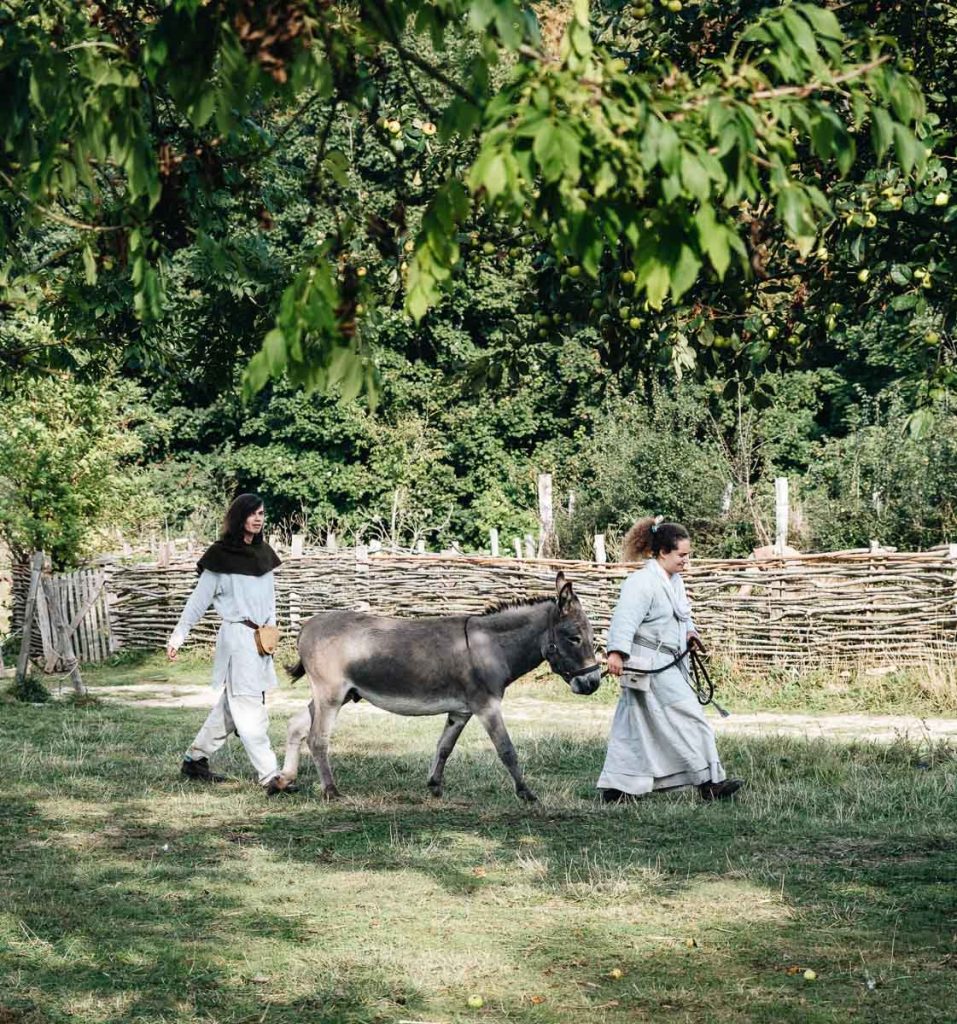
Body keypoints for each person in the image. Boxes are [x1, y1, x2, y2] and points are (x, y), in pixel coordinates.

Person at [597, 516, 743, 802]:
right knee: (692, 718)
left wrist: (690, 633)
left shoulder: (673, 582)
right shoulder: (641, 583)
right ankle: (709, 782)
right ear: (663, 552)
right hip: (649, 667)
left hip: (669, 665)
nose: (686, 561)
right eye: (682, 555)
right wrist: (616, 652)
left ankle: (617, 789)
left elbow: (682, 615)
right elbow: (624, 619)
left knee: (635, 726)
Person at [167, 493, 297, 796]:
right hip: (237, 641)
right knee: (250, 708)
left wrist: (271, 632)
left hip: (260, 640)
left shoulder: (264, 554)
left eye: (262, 514)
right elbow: (197, 603)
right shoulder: (219, 557)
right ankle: (270, 776)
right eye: (252, 513)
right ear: (239, 517)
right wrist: (178, 635)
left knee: (232, 706)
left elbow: (270, 601)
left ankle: (194, 759)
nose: (258, 519)